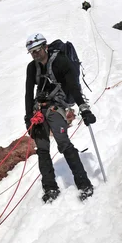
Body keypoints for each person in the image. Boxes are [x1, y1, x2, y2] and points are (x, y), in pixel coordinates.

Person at [24, 33, 96, 202]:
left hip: (57, 107)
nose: (35, 54)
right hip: (39, 109)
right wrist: (28, 117)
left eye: (37, 50)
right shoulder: (32, 67)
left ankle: (84, 183)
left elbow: (73, 86)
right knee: (42, 149)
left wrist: (84, 108)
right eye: (31, 52)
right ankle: (50, 188)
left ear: (45, 47)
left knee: (63, 143)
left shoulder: (61, 61)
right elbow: (28, 93)